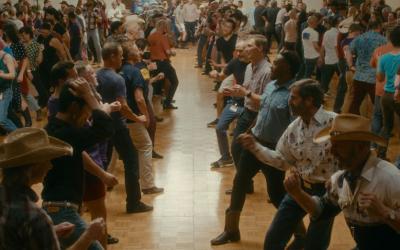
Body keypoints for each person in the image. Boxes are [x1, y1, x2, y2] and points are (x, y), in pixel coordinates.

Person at [211, 51, 305, 247]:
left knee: (277, 194)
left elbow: (296, 128)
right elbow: (262, 112)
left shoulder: (294, 94)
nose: (271, 66)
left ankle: (300, 233)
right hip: (255, 143)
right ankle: (231, 230)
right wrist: (249, 132)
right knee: (239, 183)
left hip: (273, 151)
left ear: (287, 67)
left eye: (276, 63)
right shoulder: (271, 86)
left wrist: (291, 159)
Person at [239, 79, 338, 250]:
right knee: (273, 240)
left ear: (309, 101)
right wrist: (255, 147)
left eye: (293, 98)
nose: (289, 101)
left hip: (327, 193)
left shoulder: (335, 123)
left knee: (315, 245)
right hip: (298, 188)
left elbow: (354, 156)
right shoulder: (294, 128)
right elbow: (281, 160)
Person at [285, 114, 400, 249]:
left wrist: (384, 212)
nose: (332, 151)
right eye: (332, 145)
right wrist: (297, 193)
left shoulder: (390, 178)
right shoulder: (339, 180)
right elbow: (321, 212)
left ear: (360, 147)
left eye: (338, 146)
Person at [0, 127, 107, 250]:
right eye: (47, 160)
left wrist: (50, 232)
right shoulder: (34, 216)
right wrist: (88, 236)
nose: (50, 166)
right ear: (33, 168)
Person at [42, 78, 115, 250]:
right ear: (75, 108)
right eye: (87, 112)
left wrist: (102, 175)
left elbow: (80, 154)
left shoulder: (52, 128)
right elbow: (105, 129)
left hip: (55, 208)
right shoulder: (68, 133)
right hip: (62, 211)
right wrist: (90, 97)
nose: (88, 118)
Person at [97, 42, 153, 213]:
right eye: (120, 55)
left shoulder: (96, 75)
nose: (122, 58)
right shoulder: (117, 79)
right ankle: (134, 203)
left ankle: (93, 199)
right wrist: (138, 118)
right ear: (112, 56)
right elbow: (123, 106)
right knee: (131, 160)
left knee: (100, 162)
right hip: (117, 126)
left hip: (100, 125)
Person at [120, 43, 164, 194]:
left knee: (113, 151)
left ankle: (106, 180)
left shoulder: (119, 70)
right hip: (133, 117)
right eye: (134, 48)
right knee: (146, 146)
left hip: (119, 117)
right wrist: (145, 117)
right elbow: (139, 99)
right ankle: (148, 185)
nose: (138, 50)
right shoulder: (135, 71)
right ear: (128, 54)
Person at [348, 20, 387, 115]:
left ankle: (352, 125)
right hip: (375, 77)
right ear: (379, 27)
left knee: (355, 103)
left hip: (359, 75)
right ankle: (378, 127)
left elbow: (350, 51)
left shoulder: (358, 38)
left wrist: (351, 65)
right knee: (378, 106)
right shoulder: (383, 40)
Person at [376, 26, 400, 159]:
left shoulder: (383, 58)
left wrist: (379, 61)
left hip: (386, 96)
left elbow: (380, 78)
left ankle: (381, 154)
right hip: (398, 96)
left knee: (387, 126)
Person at [148, 19, 179, 110]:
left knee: (155, 83)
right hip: (163, 62)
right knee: (174, 82)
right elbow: (168, 52)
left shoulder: (151, 36)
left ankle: (152, 105)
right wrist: (173, 53)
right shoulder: (163, 37)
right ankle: (167, 102)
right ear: (164, 27)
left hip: (154, 62)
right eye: (167, 26)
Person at [0, 47, 17, 133]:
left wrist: (1, 75)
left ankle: (21, 137)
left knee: (2, 120)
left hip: (5, 91)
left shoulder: (6, 57)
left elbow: (12, 75)